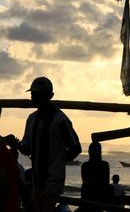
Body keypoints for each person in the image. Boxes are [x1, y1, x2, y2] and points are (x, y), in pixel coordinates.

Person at [18, 76, 82, 211]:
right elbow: (27, 149)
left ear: (50, 96)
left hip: (52, 183)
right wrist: (16, 144)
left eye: (38, 95)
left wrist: (57, 163)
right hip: (37, 183)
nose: (34, 98)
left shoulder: (60, 120)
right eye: (33, 94)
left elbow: (75, 148)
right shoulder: (32, 119)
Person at [80, 142, 113, 211]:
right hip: (100, 197)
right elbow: (106, 182)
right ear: (100, 152)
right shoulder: (105, 165)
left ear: (89, 152)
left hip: (88, 196)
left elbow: (85, 182)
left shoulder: (85, 165)